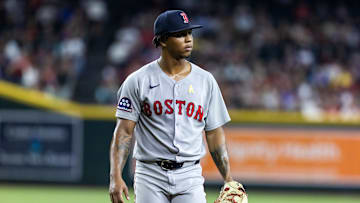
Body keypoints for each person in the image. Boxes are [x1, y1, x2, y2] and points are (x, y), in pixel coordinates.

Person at [109, 10, 236, 203]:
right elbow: (124, 132)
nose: (188, 39)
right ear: (162, 40)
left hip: (190, 175)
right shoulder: (138, 81)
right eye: (180, 34)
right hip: (149, 174)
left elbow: (214, 133)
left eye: (189, 33)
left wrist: (228, 178)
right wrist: (115, 176)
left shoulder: (206, 80)